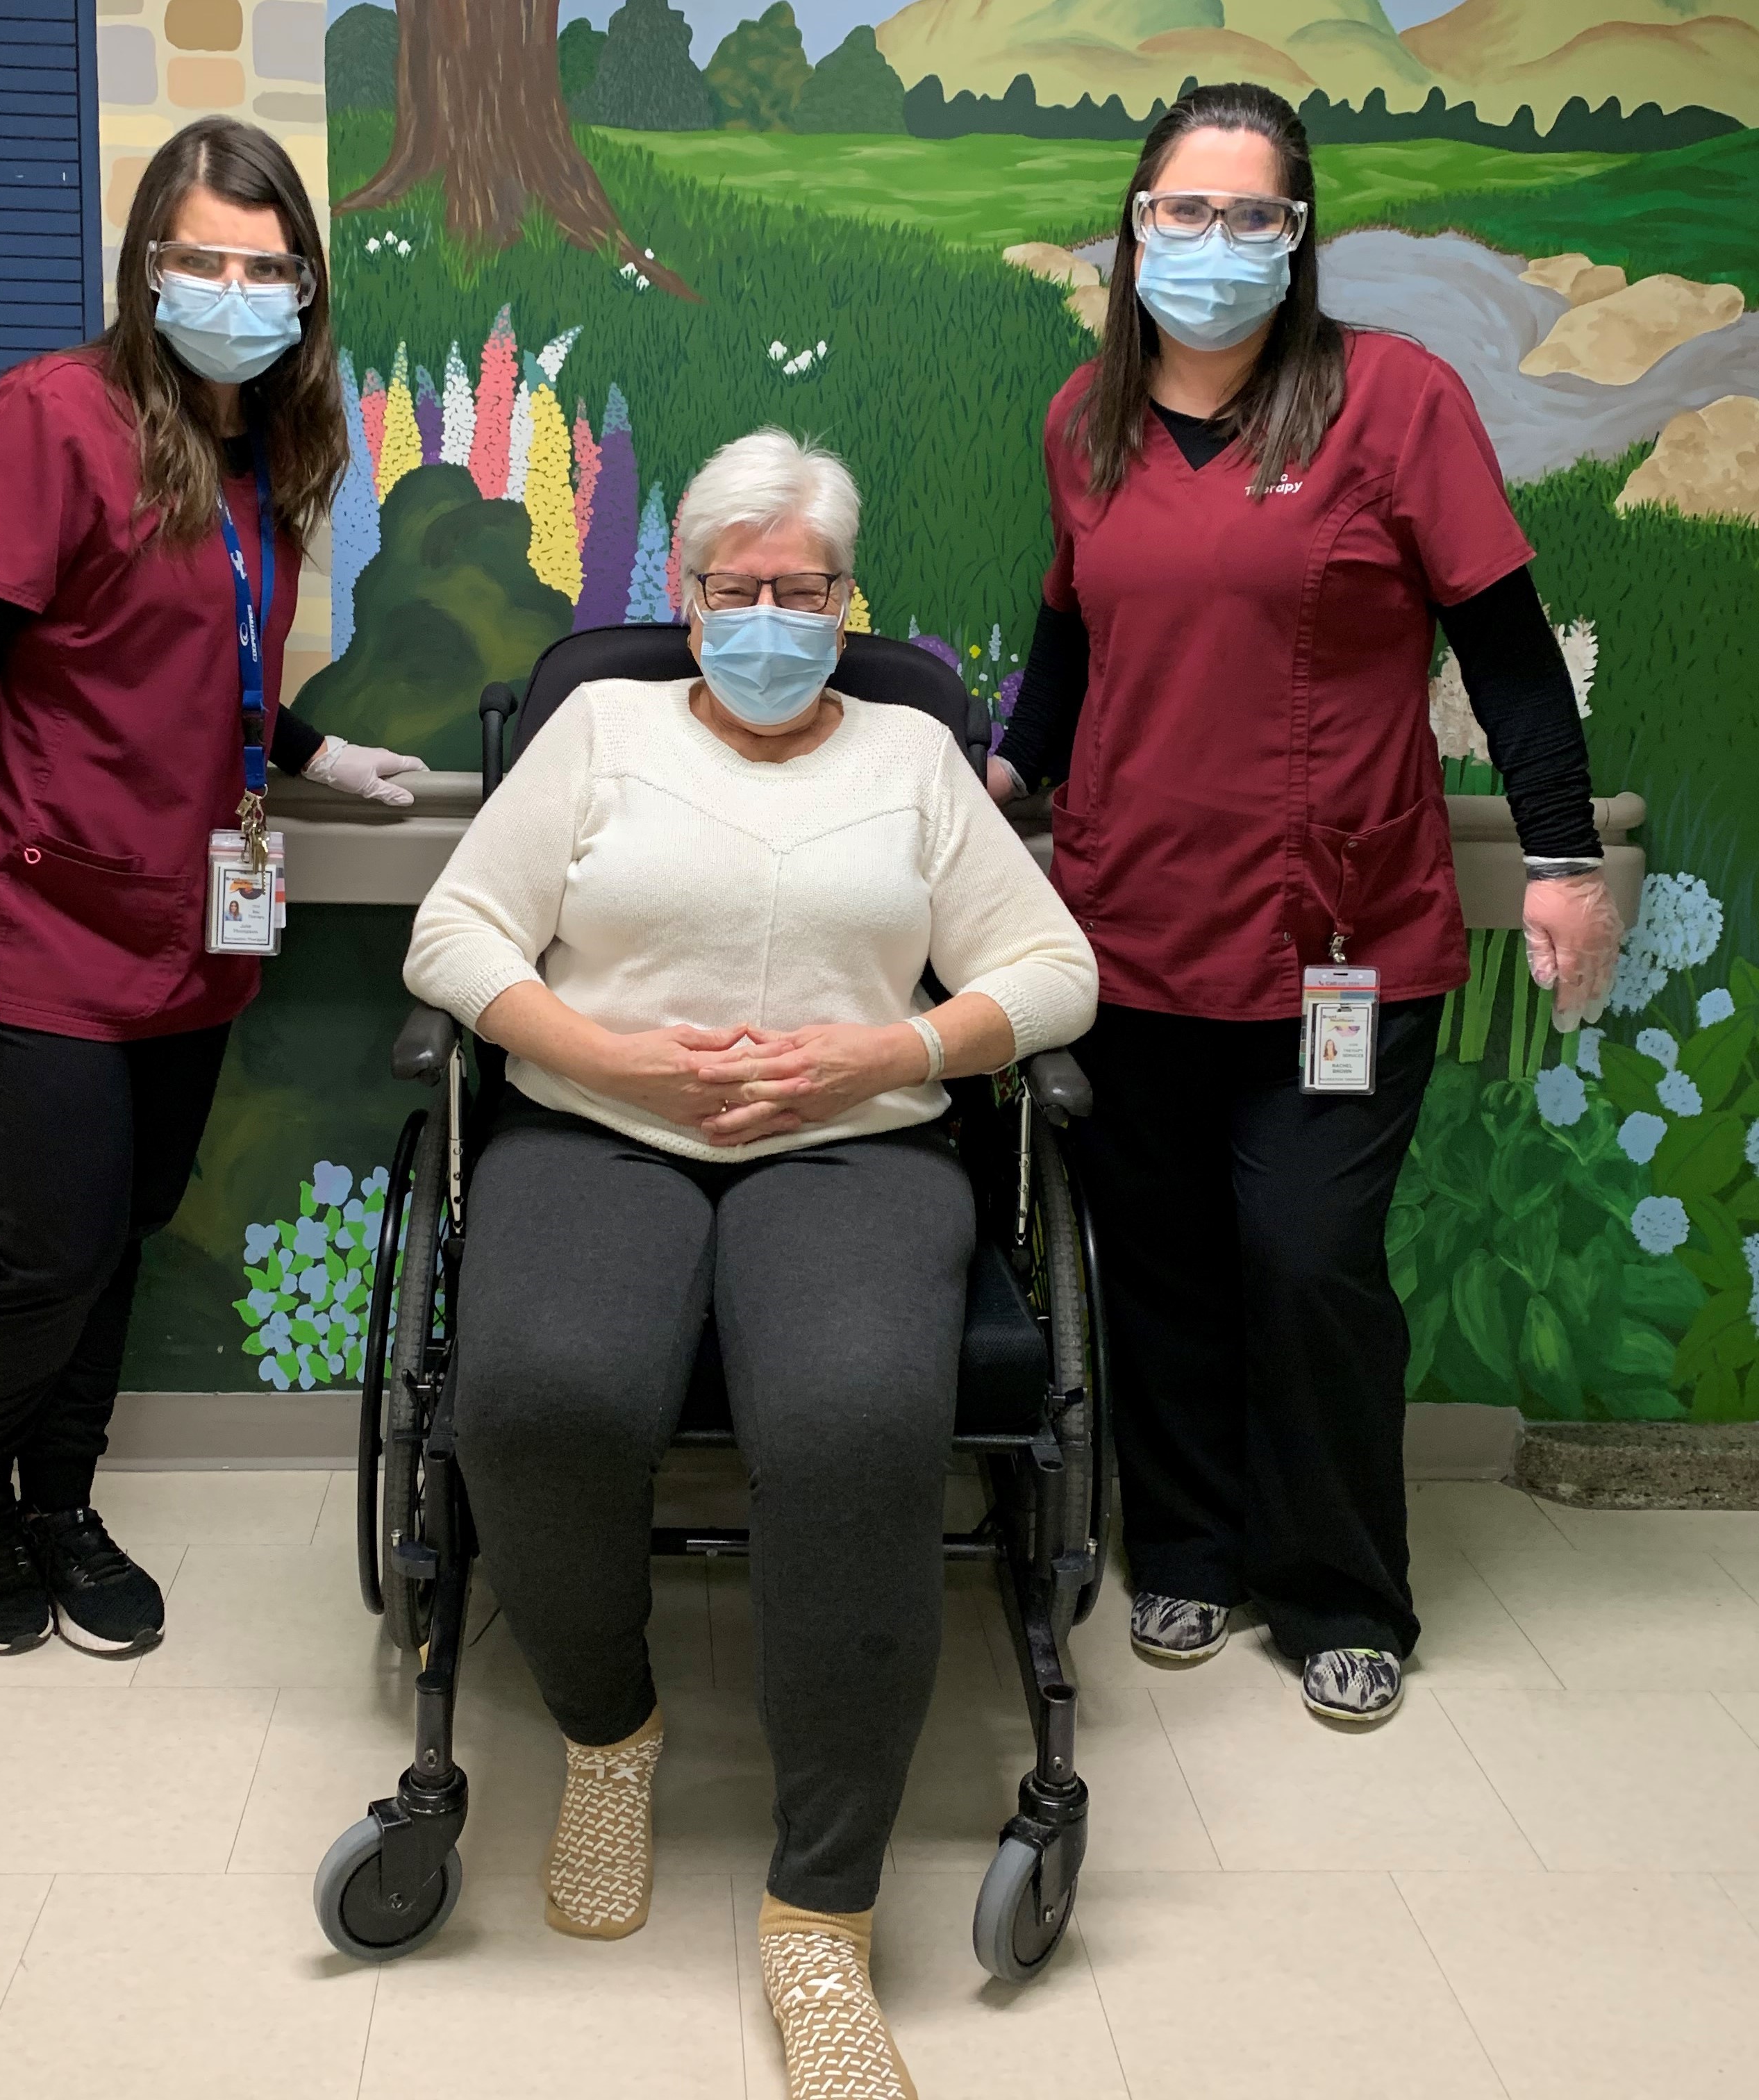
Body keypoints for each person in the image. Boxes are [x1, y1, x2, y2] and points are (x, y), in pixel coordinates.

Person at [404, 430, 1096, 2100]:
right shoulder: (599, 728)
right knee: (540, 1392)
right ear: (684, 594)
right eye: (739, 590)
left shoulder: (918, 758)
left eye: (807, 592)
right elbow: (452, 934)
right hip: (596, 1126)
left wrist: (888, 1053)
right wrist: (610, 1057)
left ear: (849, 604)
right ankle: (608, 1728)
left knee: (860, 1425)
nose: (773, 618)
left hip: (855, 1150)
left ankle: (822, 1910)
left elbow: (1056, 970)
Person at [987, 82, 1621, 1725]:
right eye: (1182, 214)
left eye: (1250, 215)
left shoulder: (1393, 403)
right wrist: (999, 788)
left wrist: (1561, 859)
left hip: (1340, 943)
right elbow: (1068, 640)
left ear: (1299, 233)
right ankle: (1190, 1553)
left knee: (1311, 1257)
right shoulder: (1083, 422)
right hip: (1128, 925)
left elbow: (1506, 646)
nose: (1213, 245)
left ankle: (1342, 1587)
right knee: (1167, 1262)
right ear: (1135, 233)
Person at [0, 117, 425, 1660]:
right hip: (36, 913)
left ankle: (63, 1500)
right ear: (144, 265)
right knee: (49, 1242)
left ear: (306, 288)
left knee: (123, 1229)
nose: (236, 290)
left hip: (189, 924)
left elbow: (183, 654)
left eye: (268, 268)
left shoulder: (269, 448)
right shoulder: (46, 419)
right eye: (203, 259)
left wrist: (314, 750)